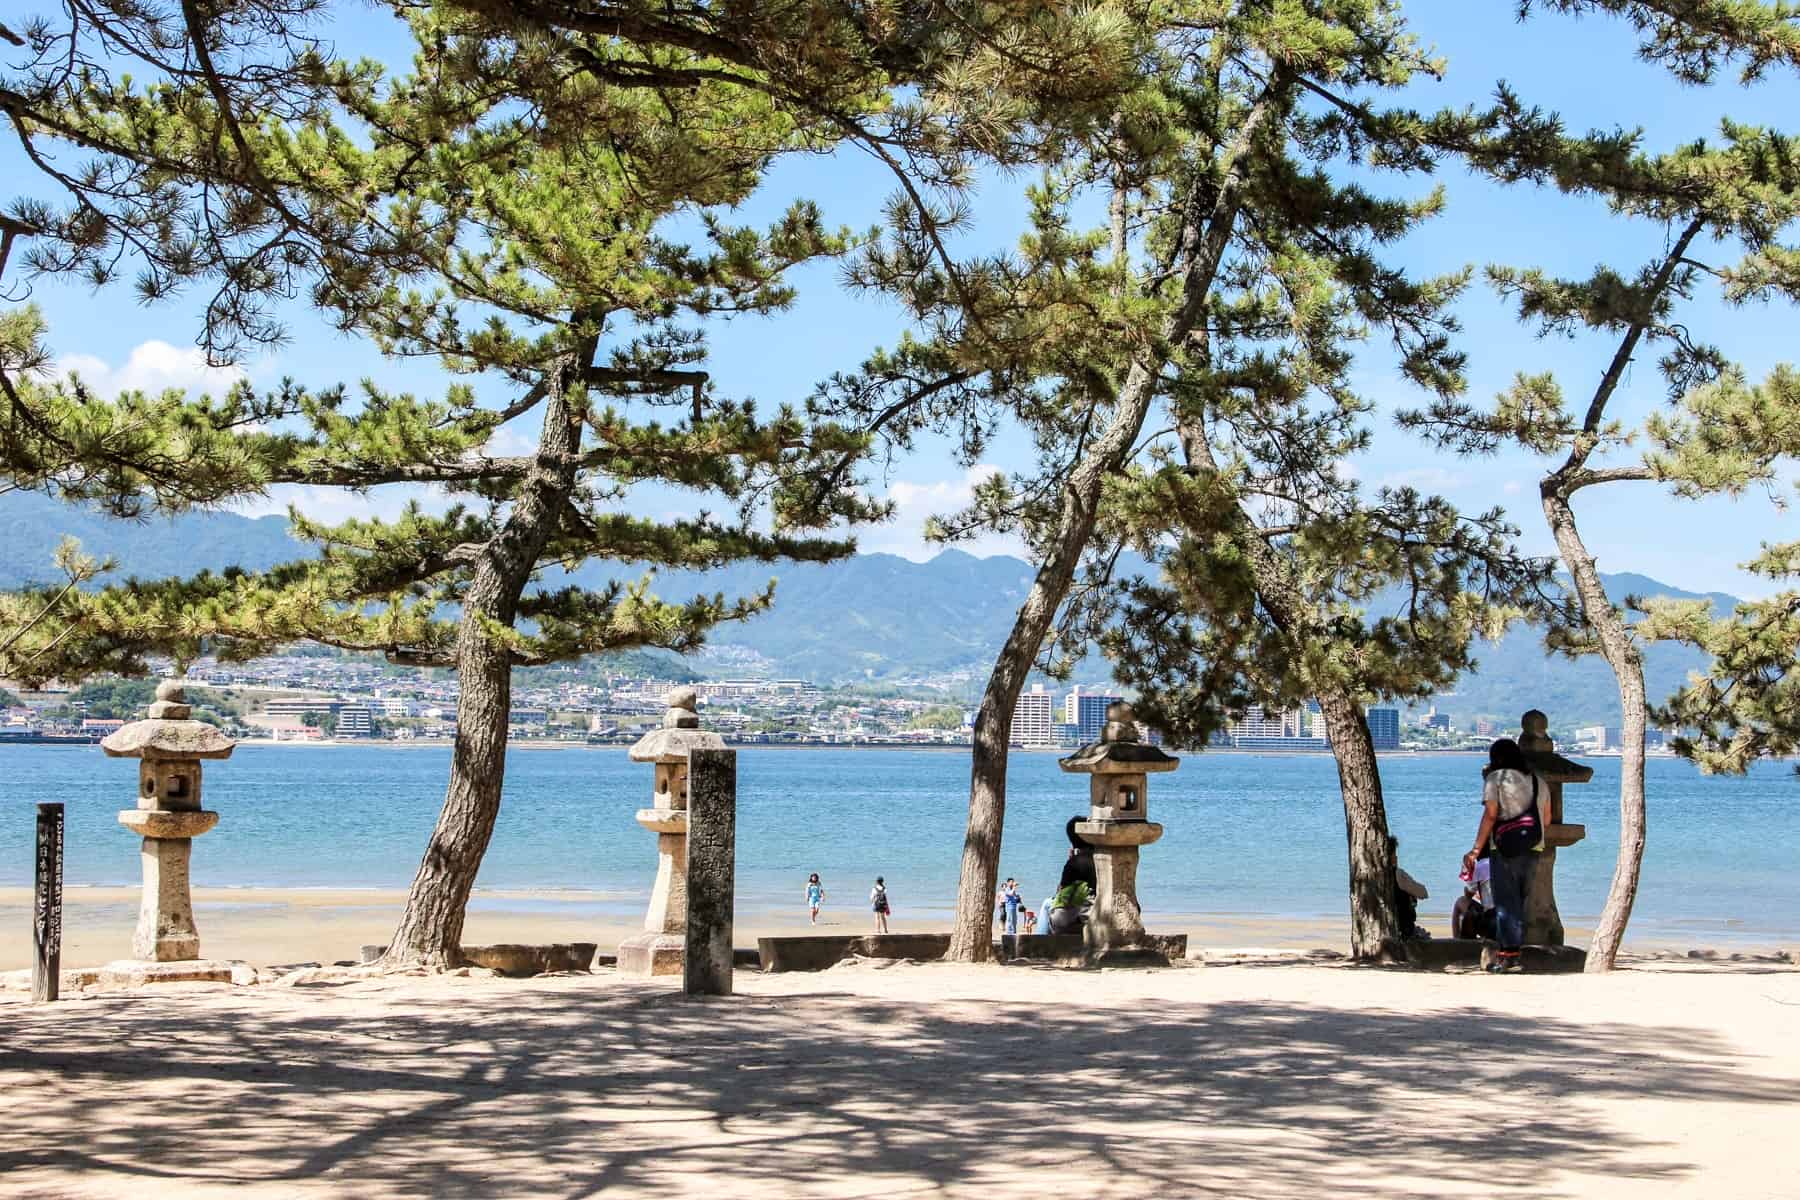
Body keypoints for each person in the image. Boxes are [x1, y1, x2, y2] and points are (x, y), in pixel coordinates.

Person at [1463, 738, 1545, 973]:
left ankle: (1508, 957)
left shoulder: (1494, 779)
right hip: (1534, 847)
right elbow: (1546, 818)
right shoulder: (1538, 782)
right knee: (1519, 901)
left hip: (1505, 848)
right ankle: (1514, 952)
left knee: (1506, 904)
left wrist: (1476, 849)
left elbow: (1491, 814)